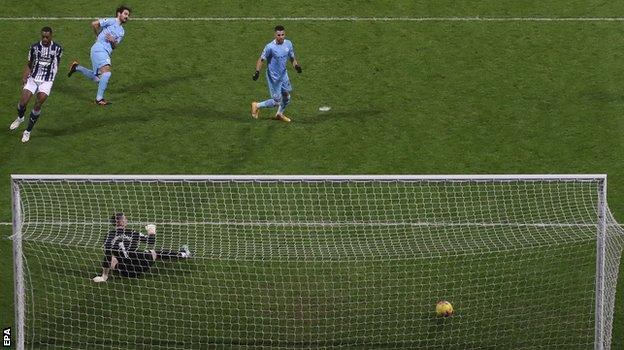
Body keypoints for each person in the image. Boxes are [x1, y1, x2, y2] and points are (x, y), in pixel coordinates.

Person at [93, 212, 191, 282]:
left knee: (113, 258)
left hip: (125, 272)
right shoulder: (131, 232)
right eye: (125, 219)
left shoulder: (108, 236)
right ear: (121, 222)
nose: (126, 220)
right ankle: (184, 254)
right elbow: (151, 241)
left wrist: (104, 276)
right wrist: (151, 231)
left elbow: (107, 256)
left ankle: (105, 276)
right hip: (141, 265)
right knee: (155, 253)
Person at [67, 5, 131, 106]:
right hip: (99, 49)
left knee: (99, 79)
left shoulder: (122, 31)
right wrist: (97, 36)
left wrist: (113, 40)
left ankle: (77, 67)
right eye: (125, 14)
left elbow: (115, 46)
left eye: (128, 15)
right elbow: (94, 24)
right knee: (107, 73)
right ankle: (99, 99)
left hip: (104, 52)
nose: (127, 17)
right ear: (119, 14)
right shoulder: (111, 21)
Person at [9, 27, 63, 143]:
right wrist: (24, 76)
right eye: (43, 36)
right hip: (33, 78)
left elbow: (57, 63)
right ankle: (20, 118)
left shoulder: (57, 48)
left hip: (47, 80)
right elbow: (29, 63)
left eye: (47, 37)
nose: (44, 39)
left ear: (51, 36)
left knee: (38, 104)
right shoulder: (34, 47)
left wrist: (52, 76)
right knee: (22, 103)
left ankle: (27, 131)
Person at [251, 25, 302, 122]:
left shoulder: (288, 44)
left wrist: (296, 66)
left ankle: (279, 114)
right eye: (279, 35)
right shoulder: (270, 47)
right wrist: (257, 71)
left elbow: (292, 58)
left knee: (286, 97)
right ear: (275, 35)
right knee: (276, 101)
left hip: (283, 75)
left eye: (283, 34)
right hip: (274, 77)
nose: (281, 37)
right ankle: (256, 105)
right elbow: (261, 59)